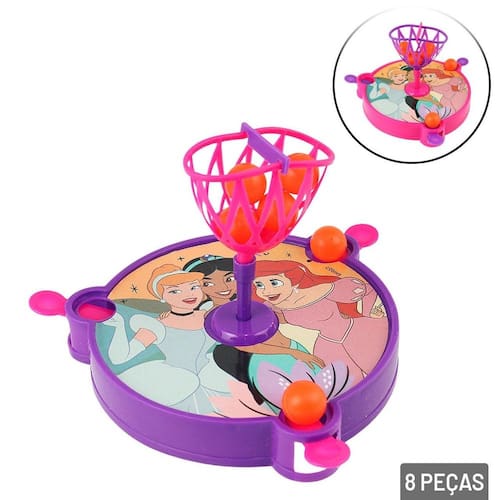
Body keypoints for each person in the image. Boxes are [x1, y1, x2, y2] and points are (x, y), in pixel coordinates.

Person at [104, 264, 230, 415]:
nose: (188, 294)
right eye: (174, 291)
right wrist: (119, 328)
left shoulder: (207, 315)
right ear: (162, 297)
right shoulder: (157, 326)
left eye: (193, 287)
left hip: (211, 377)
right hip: (177, 384)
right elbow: (119, 358)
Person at [253, 260, 389, 386]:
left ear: (292, 278)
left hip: (356, 331)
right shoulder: (274, 308)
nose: (266, 290)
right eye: (259, 285)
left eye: (275, 283)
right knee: (345, 383)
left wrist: (367, 313)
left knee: (375, 372)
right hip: (327, 344)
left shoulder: (326, 289)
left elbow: (367, 289)